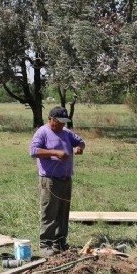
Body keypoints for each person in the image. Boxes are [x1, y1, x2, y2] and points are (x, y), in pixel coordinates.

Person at [29, 106, 86, 256]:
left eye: (63, 122)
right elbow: (33, 151)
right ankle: (45, 244)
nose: (61, 125)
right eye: (58, 122)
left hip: (66, 179)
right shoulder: (43, 132)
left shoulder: (66, 133)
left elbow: (81, 142)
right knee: (49, 212)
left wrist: (79, 148)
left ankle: (60, 242)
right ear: (50, 119)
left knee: (62, 211)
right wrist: (55, 152)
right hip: (50, 180)